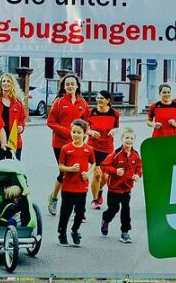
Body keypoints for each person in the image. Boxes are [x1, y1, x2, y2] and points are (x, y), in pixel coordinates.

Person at [45, 73, 90, 216]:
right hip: (60, 144)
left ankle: (78, 208)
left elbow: (87, 123)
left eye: (72, 83)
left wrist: (85, 136)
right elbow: (50, 122)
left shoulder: (82, 103)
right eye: (67, 84)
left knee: (77, 174)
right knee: (64, 173)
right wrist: (67, 132)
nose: (70, 86)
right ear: (64, 87)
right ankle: (53, 198)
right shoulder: (59, 102)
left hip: (78, 144)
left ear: (77, 86)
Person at [100, 129, 143, 243]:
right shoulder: (116, 154)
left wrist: (138, 175)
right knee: (114, 209)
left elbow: (139, 167)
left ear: (134, 140)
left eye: (131, 138)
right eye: (126, 138)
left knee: (126, 209)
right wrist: (115, 171)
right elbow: (104, 166)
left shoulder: (136, 155)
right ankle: (105, 219)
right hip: (114, 188)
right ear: (122, 139)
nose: (129, 140)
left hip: (126, 188)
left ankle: (125, 232)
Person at [57, 119, 95, 247]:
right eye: (73, 132)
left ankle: (75, 230)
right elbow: (61, 166)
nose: (76, 134)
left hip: (81, 187)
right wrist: (70, 169)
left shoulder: (88, 149)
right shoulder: (66, 148)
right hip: (68, 187)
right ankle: (62, 233)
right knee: (65, 212)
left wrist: (88, 173)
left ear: (85, 134)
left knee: (80, 212)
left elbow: (94, 163)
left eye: (79, 132)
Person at [85, 90, 120, 209]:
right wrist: (90, 131)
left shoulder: (114, 113)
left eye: (102, 98)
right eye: (98, 98)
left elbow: (116, 126)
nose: (99, 100)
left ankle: (99, 190)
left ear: (108, 100)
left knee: (105, 176)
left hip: (108, 148)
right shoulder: (90, 112)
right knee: (97, 174)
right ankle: (94, 200)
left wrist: (114, 131)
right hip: (93, 147)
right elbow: (84, 127)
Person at [0, 73, 27, 159]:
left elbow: (22, 119)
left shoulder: (18, 103)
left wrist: (21, 127)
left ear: (12, 84)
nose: (5, 83)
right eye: (3, 81)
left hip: (13, 140)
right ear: (0, 84)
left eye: (8, 81)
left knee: (13, 168)